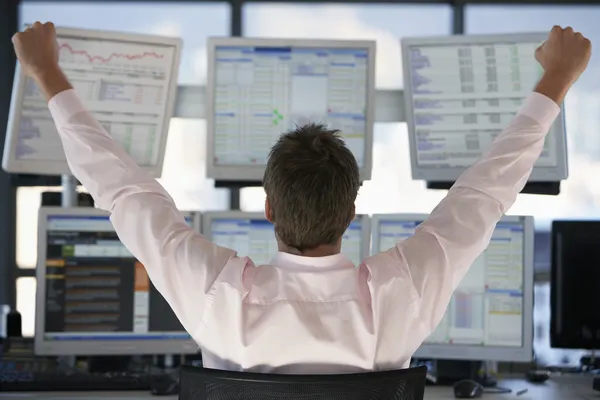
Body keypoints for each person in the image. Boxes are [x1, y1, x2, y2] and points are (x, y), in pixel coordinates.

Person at [12, 23, 590, 374]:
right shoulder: (401, 294)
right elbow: (485, 193)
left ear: (268, 210)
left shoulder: (218, 298)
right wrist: (556, 81)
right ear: (352, 212)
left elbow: (121, 189)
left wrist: (45, 73)